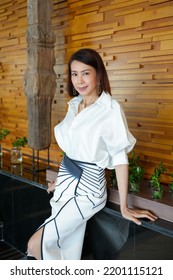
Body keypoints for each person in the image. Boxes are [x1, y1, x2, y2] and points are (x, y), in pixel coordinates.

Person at [27, 48, 157, 260]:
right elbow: (73, 151)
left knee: (35, 245)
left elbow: (120, 159)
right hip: (66, 186)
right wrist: (61, 181)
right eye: (74, 73)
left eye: (86, 73)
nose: (79, 80)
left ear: (99, 74)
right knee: (64, 250)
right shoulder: (74, 105)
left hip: (88, 191)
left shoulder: (110, 109)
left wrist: (124, 206)